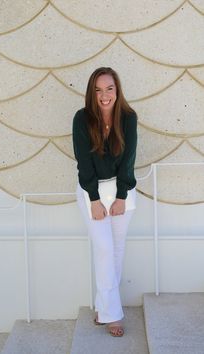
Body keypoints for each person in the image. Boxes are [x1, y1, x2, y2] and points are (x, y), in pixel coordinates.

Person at [72, 67, 137, 337]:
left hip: (122, 191)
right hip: (92, 191)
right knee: (104, 249)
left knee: (117, 251)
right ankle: (113, 316)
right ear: (92, 92)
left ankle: (104, 307)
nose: (104, 95)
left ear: (117, 90)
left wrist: (121, 195)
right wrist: (94, 200)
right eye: (98, 90)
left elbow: (129, 159)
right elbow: (83, 163)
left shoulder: (128, 118)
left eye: (109, 88)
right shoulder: (82, 119)